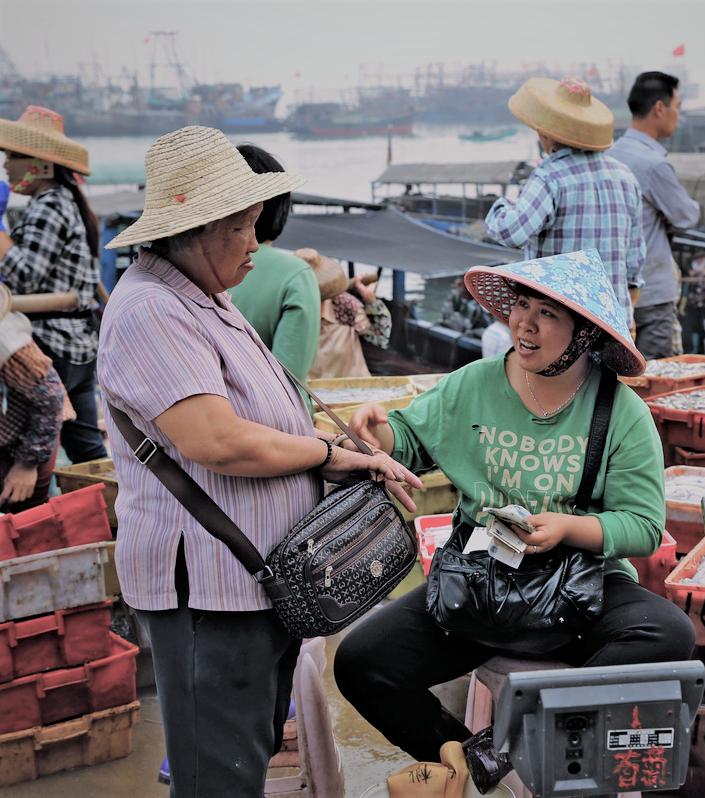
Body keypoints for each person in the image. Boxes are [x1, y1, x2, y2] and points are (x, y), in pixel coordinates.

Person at [97, 125, 422, 798]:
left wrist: (331, 458)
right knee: (220, 776)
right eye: (245, 227)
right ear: (201, 228)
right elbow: (218, 441)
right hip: (209, 591)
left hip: (249, 584)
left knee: (246, 754)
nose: (256, 243)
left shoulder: (203, 296)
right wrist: (329, 454)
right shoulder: (151, 309)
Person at [334, 249, 695, 793]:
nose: (524, 324)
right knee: (360, 661)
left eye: (547, 314)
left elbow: (643, 526)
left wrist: (568, 529)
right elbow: (407, 442)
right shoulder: (475, 383)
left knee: (669, 631)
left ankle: (545, 746)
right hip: (479, 587)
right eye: (521, 306)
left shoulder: (621, 413)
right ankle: (471, 755)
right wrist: (376, 434)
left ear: (583, 333)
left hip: (579, 594)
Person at [485, 77, 645, 328]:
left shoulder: (550, 176)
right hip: (614, 325)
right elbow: (635, 262)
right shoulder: (625, 176)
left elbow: (511, 232)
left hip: (559, 331)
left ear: (547, 133)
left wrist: (499, 206)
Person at [0, 105, 107, 463]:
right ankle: (105, 514)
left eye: (13, 156)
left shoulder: (48, 204)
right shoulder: (69, 201)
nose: (5, 164)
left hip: (51, 346)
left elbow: (25, 276)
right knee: (87, 449)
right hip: (80, 347)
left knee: (25, 454)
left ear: (41, 165)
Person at [609, 71, 701, 359]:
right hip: (651, 296)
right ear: (659, 109)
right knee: (655, 386)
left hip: (614, 296)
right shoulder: (652, 165)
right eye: (677, 106)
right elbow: (687, 216)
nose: (678, 115)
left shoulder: (612, 154)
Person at [227, 144, 321, 380]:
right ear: (280, 208)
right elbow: (289, 381)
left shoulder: (189, 274)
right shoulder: (295, 275)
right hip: (266, 416)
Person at [0, 286, 65, 511]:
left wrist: (26, 464)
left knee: (27, 526)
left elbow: (50, 398)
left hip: (24, 445)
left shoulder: (6, 340)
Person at [297, 248, 393, 379]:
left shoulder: (344, 304)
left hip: (349, 385)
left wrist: (372, 302)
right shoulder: (289, 308)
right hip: (309, 389)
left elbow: (380, 338)